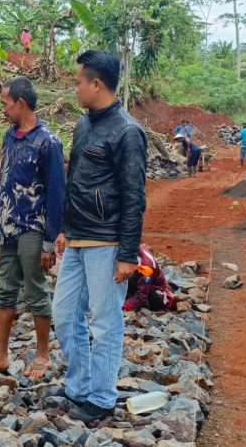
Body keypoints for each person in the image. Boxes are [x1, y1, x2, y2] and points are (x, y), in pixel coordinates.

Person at [52, 50, 148, 423]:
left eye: (78, 81)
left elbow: (134, 197)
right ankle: (78, 388)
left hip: (107, 242)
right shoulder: (84, 124)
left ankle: (103, 398)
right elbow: (75, 180)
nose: (74, 88)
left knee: (105, 321)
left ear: (96, 84)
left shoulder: (127, 132)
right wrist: (64, 228)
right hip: (77, 238)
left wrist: (128, 254)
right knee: (64, 315)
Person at [0, 76, 66, 381]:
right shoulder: (10, 136)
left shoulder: (48, 142)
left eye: (5, 104)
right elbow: (3, 180)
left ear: (20, 103)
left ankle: (42, 354)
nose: (3, 110)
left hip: (32, 228)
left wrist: (51, 241)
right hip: (8, 226)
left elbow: (57, 193)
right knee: (4, 288)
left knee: (35, 288)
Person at [122, 245, 174, 312]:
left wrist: (122, 307)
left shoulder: (146, 265)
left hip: (157, 297)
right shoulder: (134, 249)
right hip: (143, 287)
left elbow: (141, 296)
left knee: (129, 272)